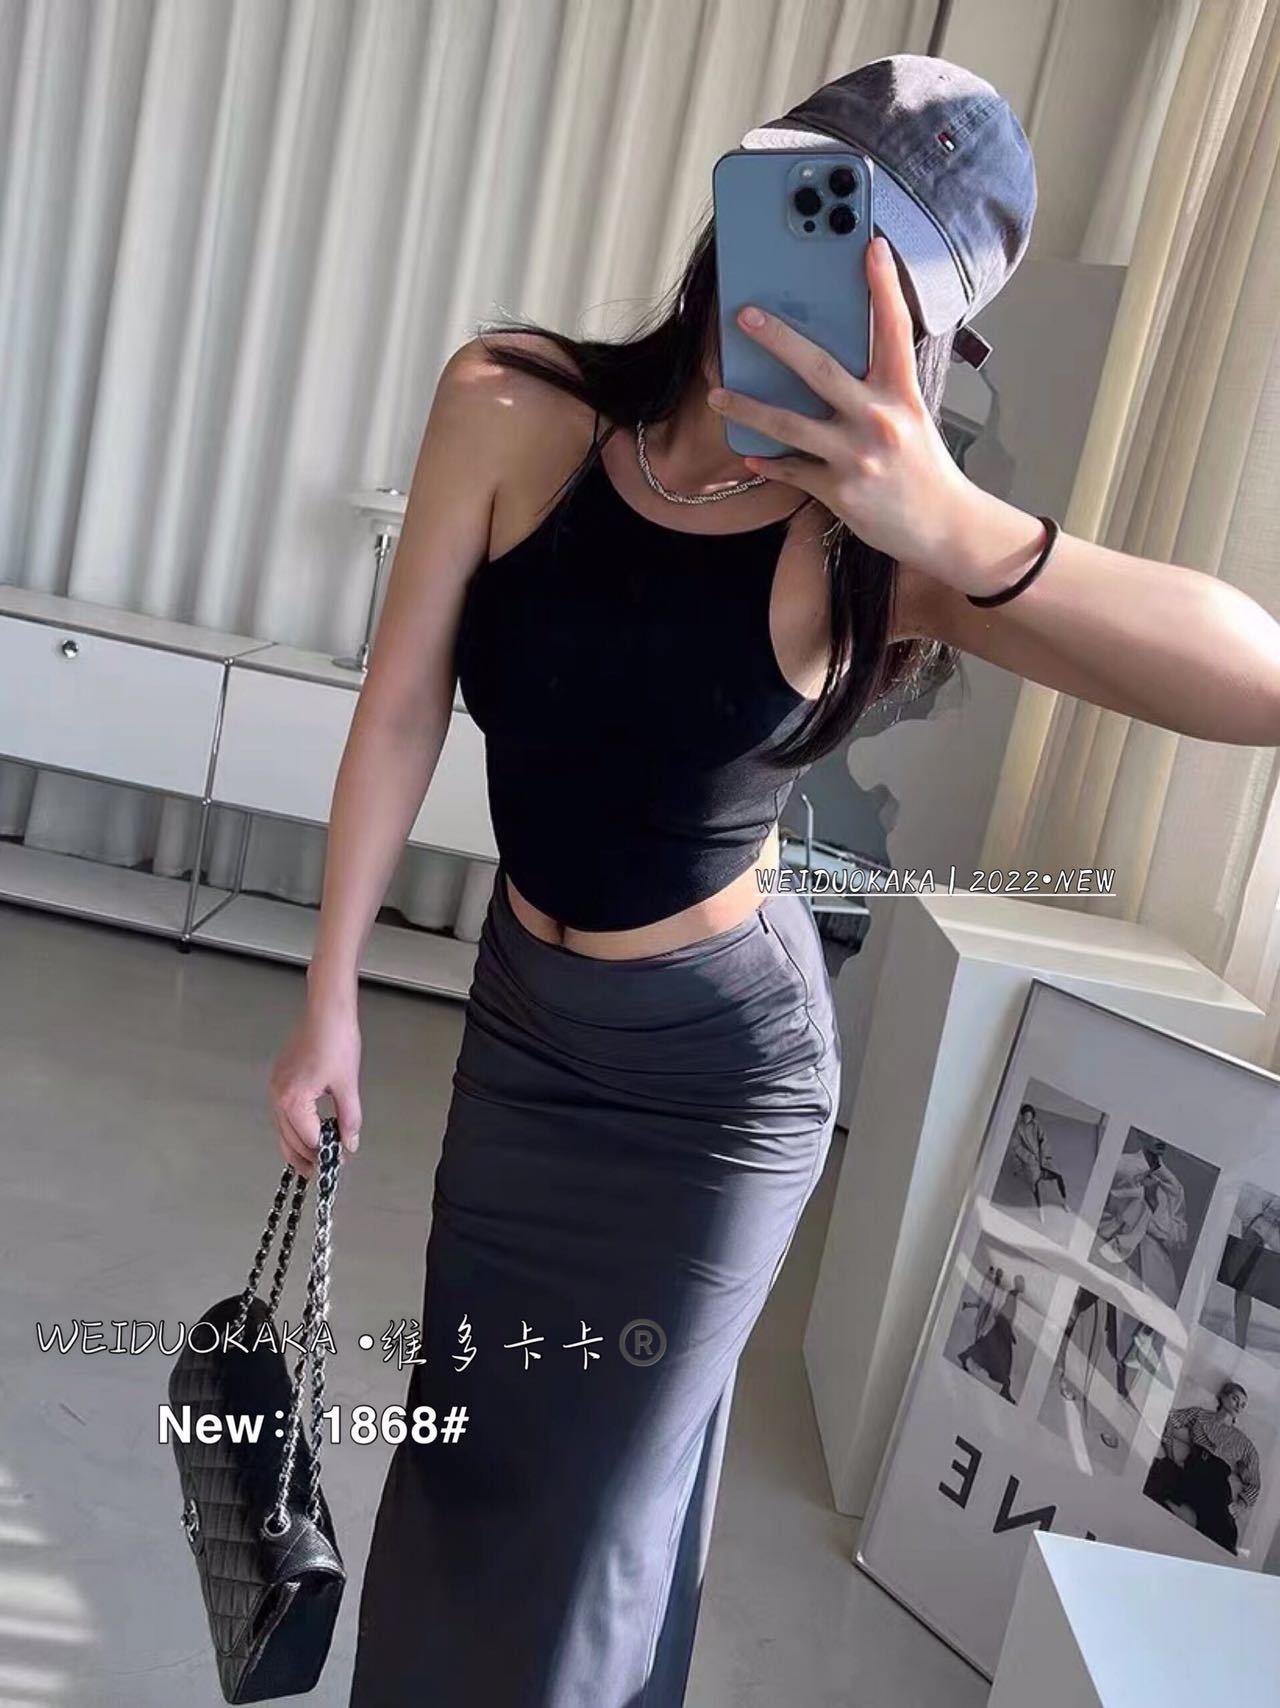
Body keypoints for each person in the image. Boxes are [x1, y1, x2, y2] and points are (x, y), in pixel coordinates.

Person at [266, 54, 1280, 1708]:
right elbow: (399, 708)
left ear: (926, 330)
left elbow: (1258, 679)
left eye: (882, 276)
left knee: (585, 1517)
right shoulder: (512, 404)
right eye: (806, 212)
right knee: (473, 1458)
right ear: (740, 201)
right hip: (523, 1031)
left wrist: (959, 526)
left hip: (713, 1092)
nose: (807, 283)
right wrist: (329, 1002)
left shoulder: (884, 548)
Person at [1145, 1380, 1261, 1555]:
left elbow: (1254, 1482)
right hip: (1191, 1471)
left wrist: (1242, 1504)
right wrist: (1170, 1453)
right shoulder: (1199, 1415)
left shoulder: (1244, 1443)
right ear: (1222, 1396)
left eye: (1243, 1405)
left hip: (1216, 1485)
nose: (1238, 1406)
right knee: (1154, 1477)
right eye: (1235, 1399)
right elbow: (1170, 1420)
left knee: (1224, 1537)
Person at [958, 1274, 1026, 1404]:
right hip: (1002, 1328)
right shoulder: (1012, 1295)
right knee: (1000, 1356)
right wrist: (1006, 1328)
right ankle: (1005, 1389)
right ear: (1018, 1284)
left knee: (990, 1350)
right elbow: (1006, 1313)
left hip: (1003, 1327)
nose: (1024, 1287)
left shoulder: (1013, 1295)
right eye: (1022, 1284)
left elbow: (1007, 1314)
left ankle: (964, 1355)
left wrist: (1010, 1332)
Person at [1010, 1102, 1068, 1211]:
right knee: (1036, 1183)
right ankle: (1040, 1209)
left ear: (1032, 1116)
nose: (1027, 1117)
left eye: (1029, 1115)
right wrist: (1029, 1158)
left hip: (1042, 1158)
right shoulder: (1019, 1129)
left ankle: (1064, 1200)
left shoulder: (1036, 1125)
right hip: (1029, 1161)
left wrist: (1044, 1155)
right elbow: (1016, 1146)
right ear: (1022, 1116)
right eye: (1025, 1115)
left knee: (1058, 1176)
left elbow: (1044, 1140)